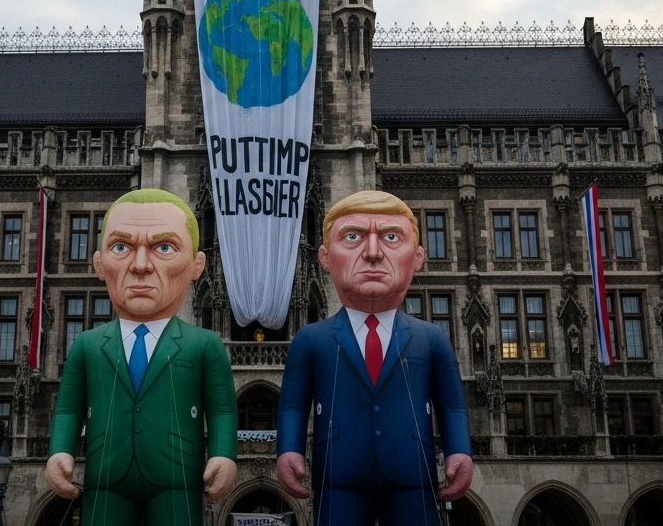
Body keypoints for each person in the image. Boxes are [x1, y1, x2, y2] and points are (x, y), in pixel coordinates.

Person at [276, 190, 474, 526]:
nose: (371, 253)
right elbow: (293, 405)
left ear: (417, 257)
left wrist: (460, 449)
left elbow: (452, 405)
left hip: (413, 473)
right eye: (352, 237)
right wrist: (288, 449)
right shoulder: (310, 340)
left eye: (391, 237)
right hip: (339, 474)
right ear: (325, 257)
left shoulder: (432, 338)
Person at [45, 189, 239, 525]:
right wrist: (60, 450)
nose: (140, 266)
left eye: (164, 247)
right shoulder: (87, 344)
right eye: (121, 247)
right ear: (99, 263)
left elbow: (222, 409)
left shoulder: (204, 344)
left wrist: (224, 454)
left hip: (176, 477)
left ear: (196, 265)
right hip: (105, 476)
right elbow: (68, 407)